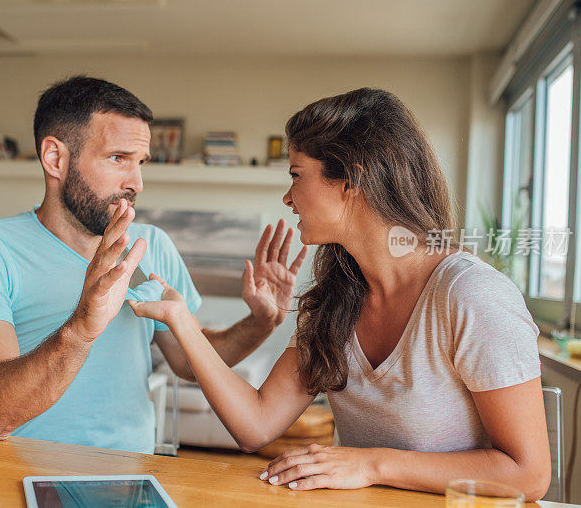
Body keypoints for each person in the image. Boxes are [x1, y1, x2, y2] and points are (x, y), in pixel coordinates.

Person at [128, 88, 552, 500]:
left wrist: (370, 464)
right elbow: (254, 426)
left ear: (350, 179)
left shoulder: (471, 295)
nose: (288, 197)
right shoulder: (335, 302)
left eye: (296, 175)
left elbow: (529, 474)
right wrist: (182, 321)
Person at [0, 75, 307, 454]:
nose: (137, 181)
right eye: (118, 158)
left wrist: (260, 323)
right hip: (17, 476)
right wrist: (81, 328)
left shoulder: (151, 245)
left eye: (140, 161)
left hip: (131, 477)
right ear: (55, 158)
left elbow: (190, 362)